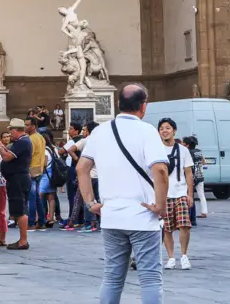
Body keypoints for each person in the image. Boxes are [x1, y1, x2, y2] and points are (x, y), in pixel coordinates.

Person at [76, 84, 169, 304]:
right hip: (143, 216)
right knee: (150, 278)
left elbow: (82, 168)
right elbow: (161, 170)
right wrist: (160, 205)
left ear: (118, 104)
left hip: (111, 216)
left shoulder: (100, 131)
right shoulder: (147, 131)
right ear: (143, 106)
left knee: (112, 277)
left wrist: (91, 203)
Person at [156, 118, 194, 270]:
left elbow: (189, 173)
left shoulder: (183, 151)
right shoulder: (156, 149)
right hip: (163, 194)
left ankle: (184, 255)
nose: (164, 131)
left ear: (174, 131)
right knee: (167, 228)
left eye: (167, 128)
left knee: (185, 225)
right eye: (161, 129)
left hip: (180, 192)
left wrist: (190, 194)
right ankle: (171, 257)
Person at [0, 118, 33, 250]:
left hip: (18, 179)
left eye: (10, 130)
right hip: (16, 179)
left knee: (20, 209)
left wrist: (0, 146)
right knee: (18, 208)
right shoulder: (21, 142)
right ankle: (22, 239)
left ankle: (23, 241)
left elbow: (7, 157)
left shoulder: (23, 142)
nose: (9, 133)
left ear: (16, 130)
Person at [25, 117, 49, 229]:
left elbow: (29, 156)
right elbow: (44, 155)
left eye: (27, 125)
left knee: (32, 198)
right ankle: (41, 221)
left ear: (33, 126)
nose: (25, 127)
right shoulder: (41, 137)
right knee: (37, 198)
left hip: (31, 170)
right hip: (39, 169)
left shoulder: (31, 139)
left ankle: (31, 223)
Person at [181, 135, 207, 222]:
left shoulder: (188, 152)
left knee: (189, 195)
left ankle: (189, 215)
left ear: (187, 145)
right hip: (200, 175)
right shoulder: (199, 151)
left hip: (192, 176)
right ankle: (204, 212)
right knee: (201, 195)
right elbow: (204, 161)